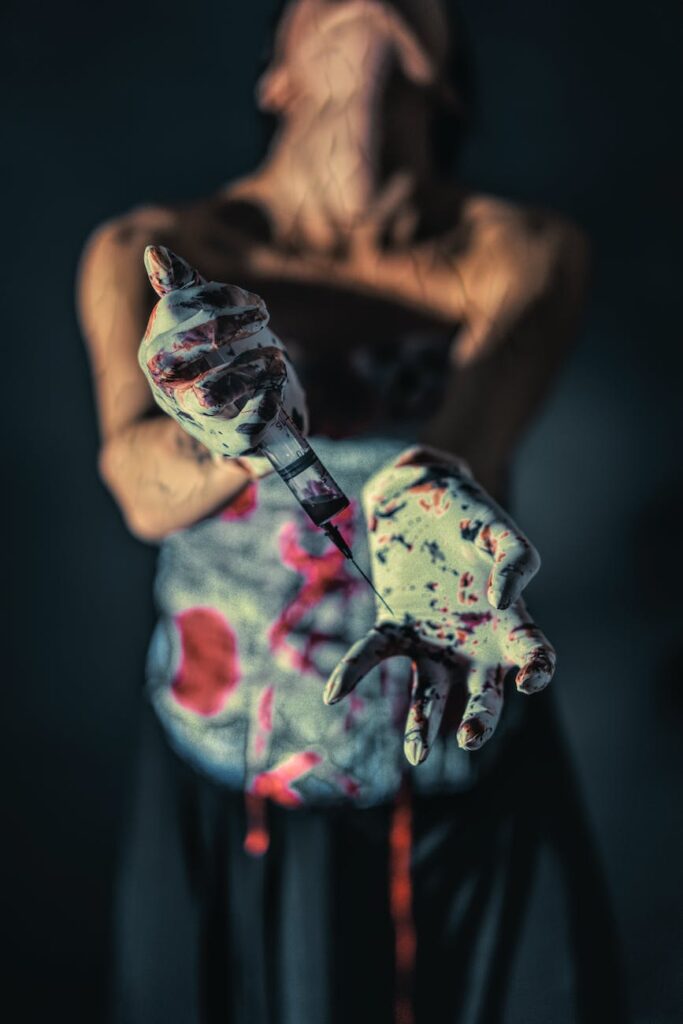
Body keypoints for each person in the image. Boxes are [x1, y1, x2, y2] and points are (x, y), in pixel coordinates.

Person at [77, 2, 625, 1021]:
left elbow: (473, 419)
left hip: (453, 769)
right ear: (273, 77)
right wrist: (217, 433)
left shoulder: (520, 251)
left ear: (446, 82)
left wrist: (426, 483)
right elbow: (136, 486)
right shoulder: (153, 251)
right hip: (226, 779)